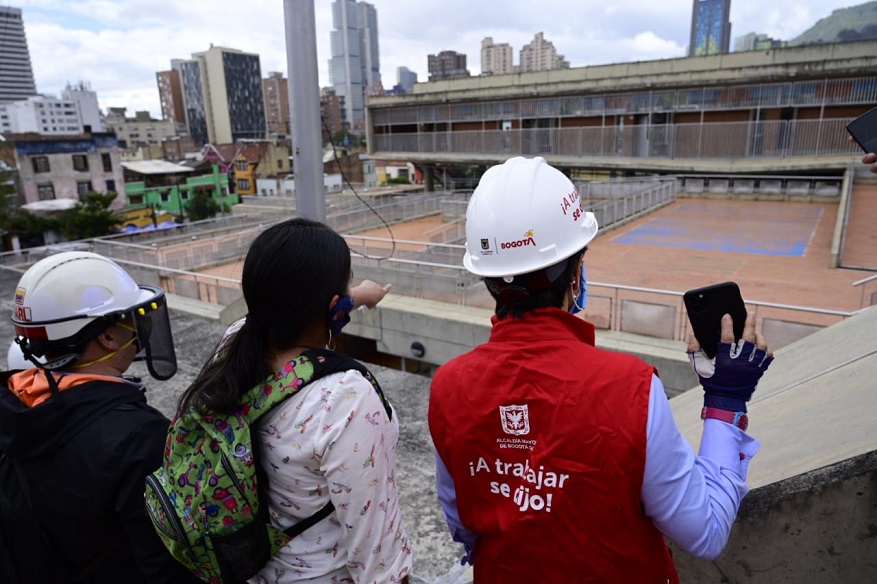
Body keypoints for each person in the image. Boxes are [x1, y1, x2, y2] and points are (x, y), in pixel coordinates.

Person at [428, 156, 775, 582]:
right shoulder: (631, 388)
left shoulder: (448, 386)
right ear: (575, 274)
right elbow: (704, 532)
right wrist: (726, 401)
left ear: (487, 278)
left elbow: (463, 523)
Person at [176, 217, 413, 583]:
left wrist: (360, 296)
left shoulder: (236, 340)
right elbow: (378, 555)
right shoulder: (344, 398)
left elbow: (300, 311)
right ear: (335, 306)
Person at [0, 251, 194, 583]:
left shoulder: (18, 404)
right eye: (133, 317)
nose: (141, 325)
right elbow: (166, 562)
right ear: (107, 336)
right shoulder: (138, 436)